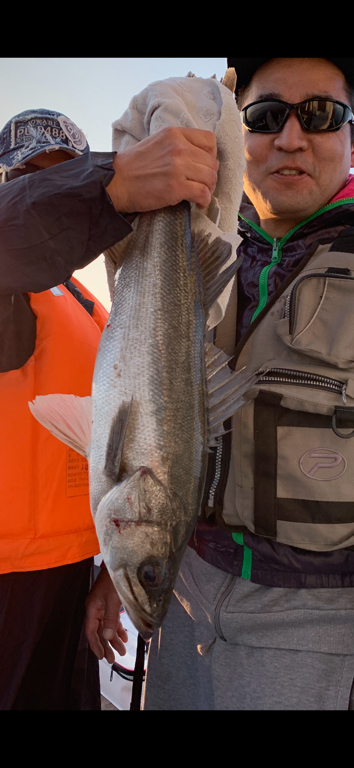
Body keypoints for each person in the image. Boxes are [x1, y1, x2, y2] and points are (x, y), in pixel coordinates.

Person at [89, 57, 354, 711]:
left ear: (351, 135)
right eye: (265, 117)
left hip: (316, 621)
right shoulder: (202, 231)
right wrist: (113, 568)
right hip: (183, 593)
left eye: (320, 115)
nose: (290, 138)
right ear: (240, 131)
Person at [0, 106, 219, 709]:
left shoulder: (87, 304)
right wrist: (114, 182)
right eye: (31, 180)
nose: (49, 201)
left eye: (62, 179)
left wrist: (106, 577)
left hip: (69, 580)